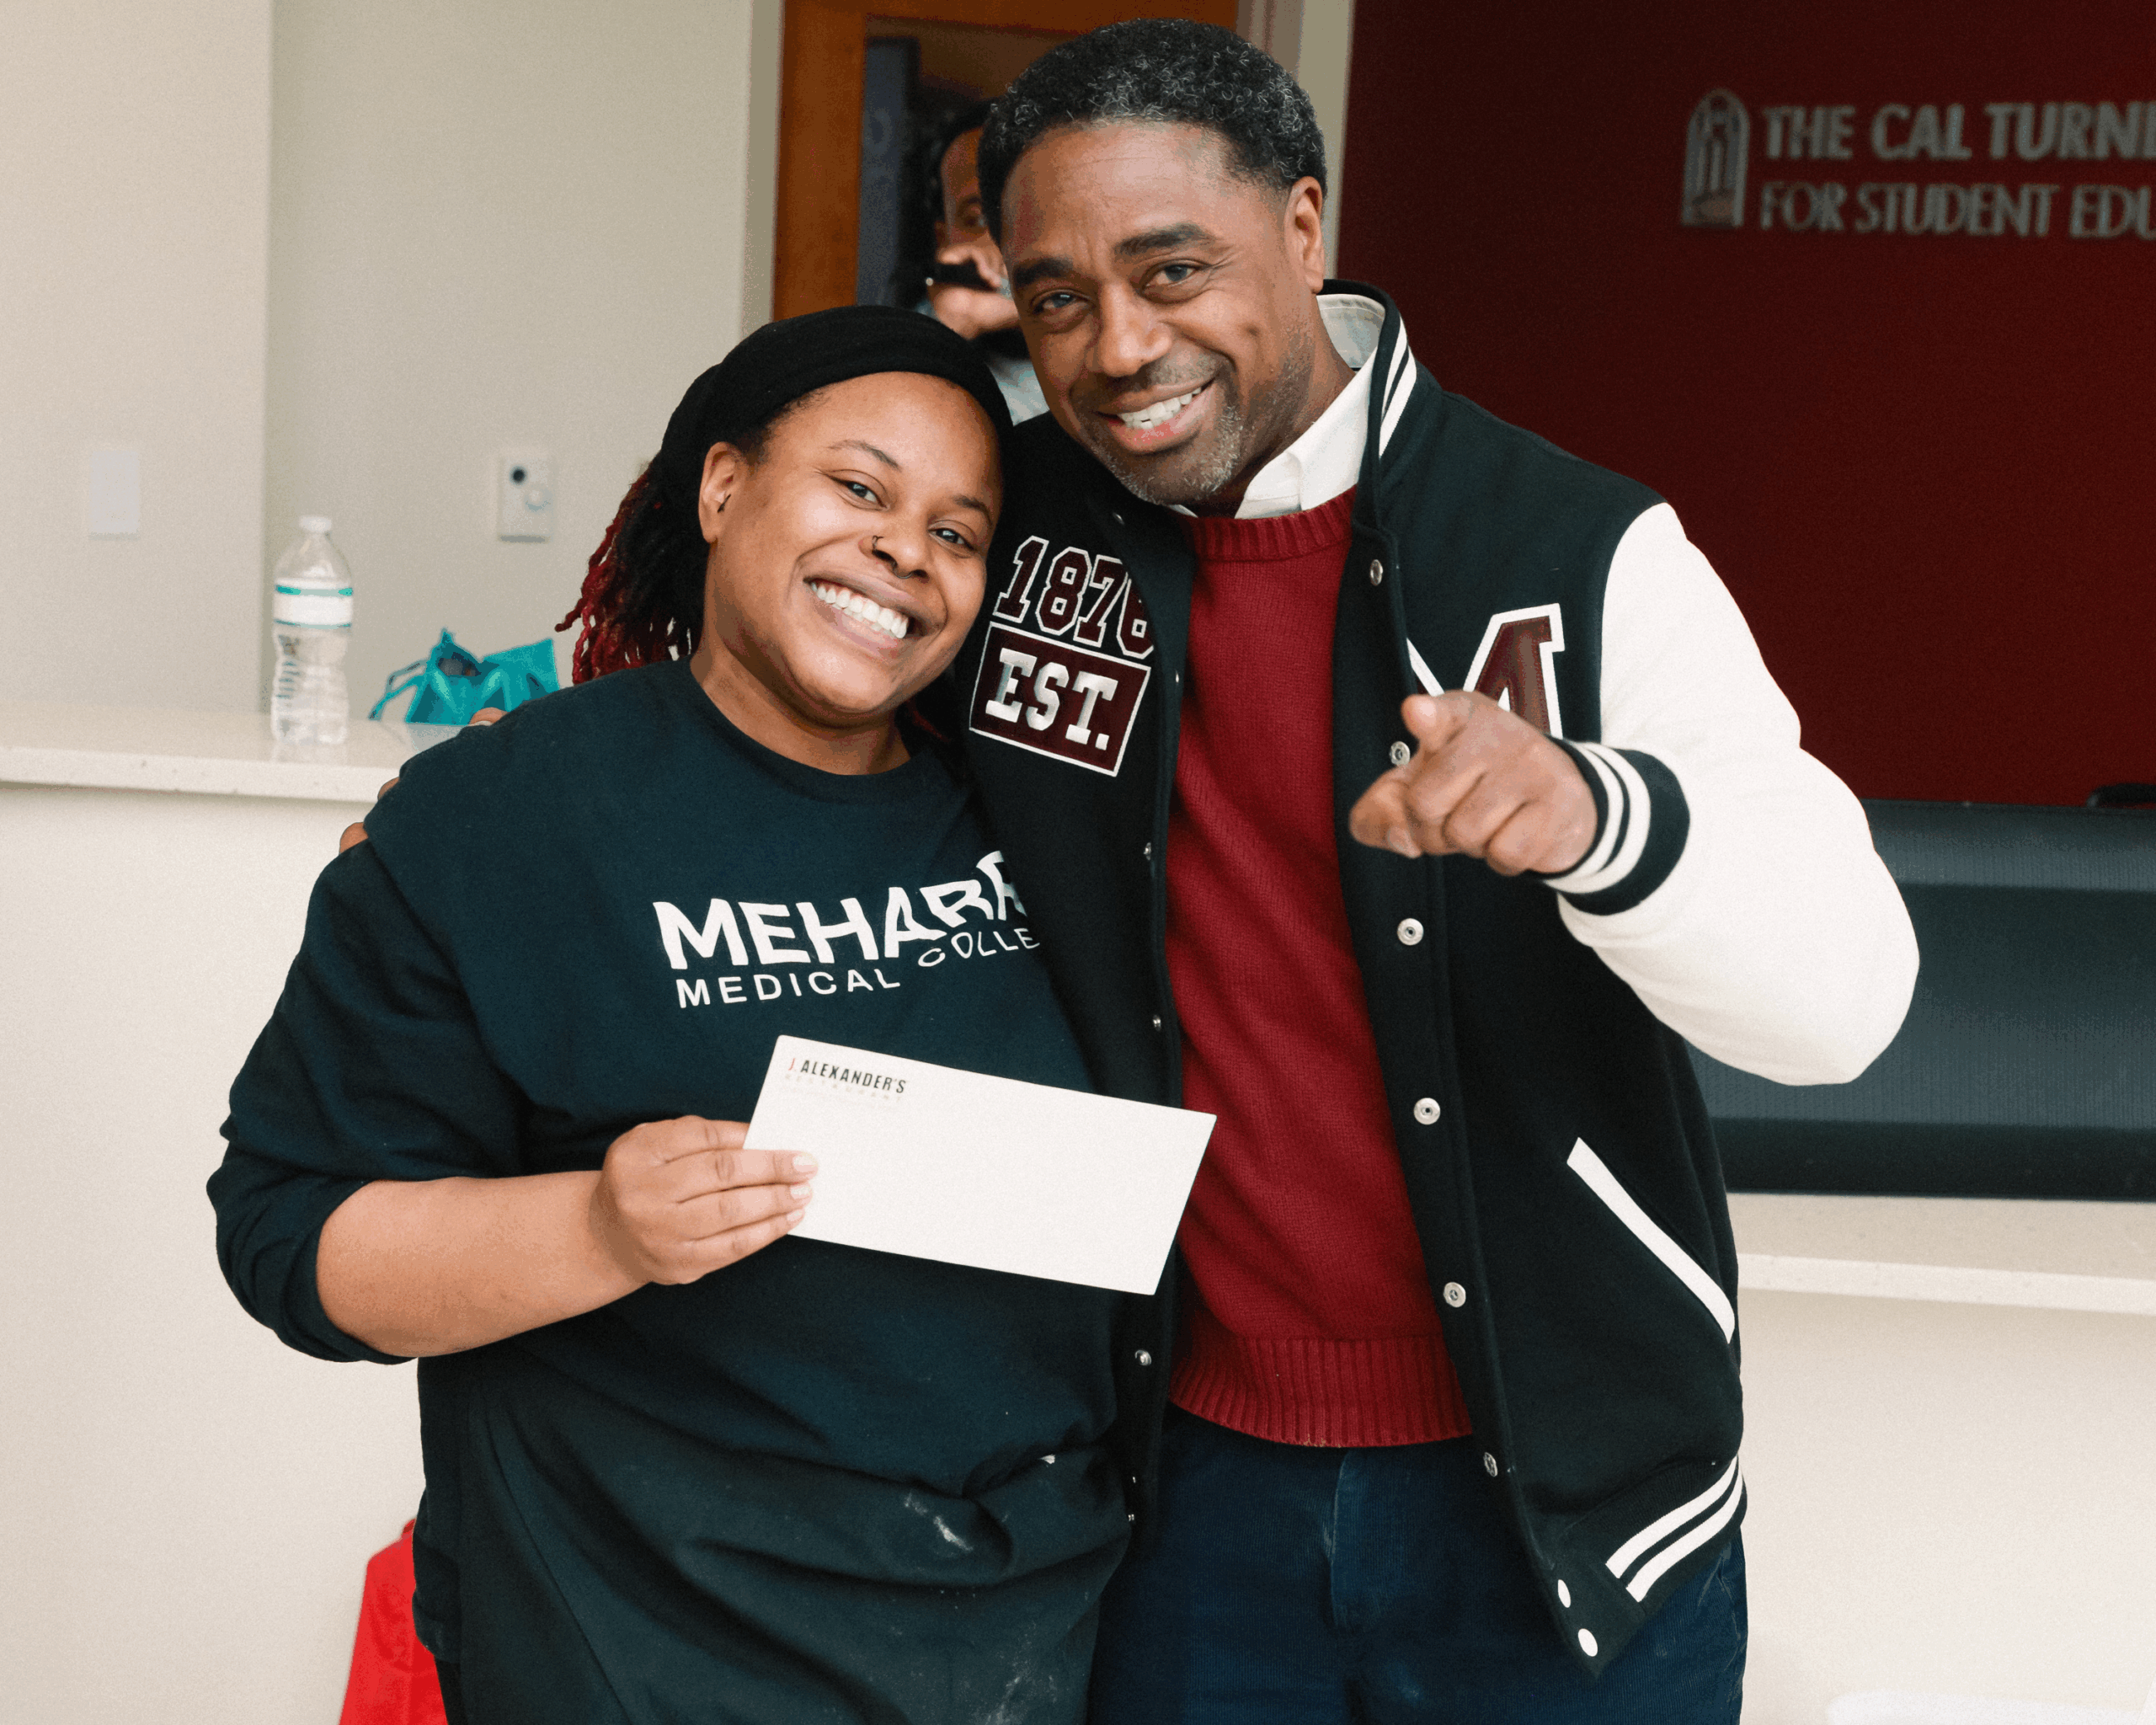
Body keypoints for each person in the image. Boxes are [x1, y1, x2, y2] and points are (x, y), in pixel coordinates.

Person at [944, 20, 1916, 1724]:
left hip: (1561, 1503)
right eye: (1055, 298)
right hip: (1174, 1492)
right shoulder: (1016, 530)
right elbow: (788, 635)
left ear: (1305, 227)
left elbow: (1843, 1001)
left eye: (1174, 269)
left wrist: (1592, 820)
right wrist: (527, 814)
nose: (1119, 346)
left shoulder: (1571, 546)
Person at [211, 307, 1134, 1725]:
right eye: (861, 488)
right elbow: (289, 1236)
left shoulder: (1041, 819)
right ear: (720, 489)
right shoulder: (504, 820)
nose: (906, 550)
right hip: (640, 1633)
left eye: (958, 531)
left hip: (1025, 1624)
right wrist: (596, 1227)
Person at [915, 103, 1049, 424]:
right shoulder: (923, 338)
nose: (1003, 241)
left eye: (1032, 209)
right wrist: (949, 329)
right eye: (976, 220)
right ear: (944, 238)